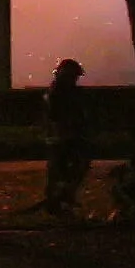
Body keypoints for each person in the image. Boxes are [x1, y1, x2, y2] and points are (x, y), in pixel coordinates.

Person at [42, 57, 89, 216]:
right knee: (65, 168)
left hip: (62, 136)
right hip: (62, 136)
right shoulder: (59, 93)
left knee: (64, 169)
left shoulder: (58, 91)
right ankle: (59, 199)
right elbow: (58, 115)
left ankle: (59, 199)